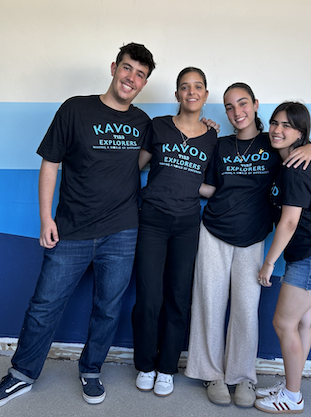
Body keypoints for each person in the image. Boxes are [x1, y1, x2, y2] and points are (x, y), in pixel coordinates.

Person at [0, 43, 156, 411]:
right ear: (113, 68)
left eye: (140, 74)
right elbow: (50, 164)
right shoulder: (76, 108)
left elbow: (143, 161)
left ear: (144, 83)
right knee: (44, 305)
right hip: (71, 229)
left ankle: (91, 370)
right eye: (127, 68)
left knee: (108, 307)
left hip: (122, 231)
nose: (131, 78)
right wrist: (46, 218)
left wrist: (205, 125)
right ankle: (22, 374)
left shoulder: (143, 123)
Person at [185, 83, 311, 408]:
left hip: (253, 238)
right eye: (229, 106)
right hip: (214, 231)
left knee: (246, 310)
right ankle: (212, 374)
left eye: (243, 103)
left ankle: (242, 377)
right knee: (209, 303)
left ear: (255, 104)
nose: (237, 111)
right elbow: (209, 187)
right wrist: (182, 179)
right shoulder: (219, 144)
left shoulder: (274, 141)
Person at [131, 67, 218, 397]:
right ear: (178, 94)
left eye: (197, 87)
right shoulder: (159, 126)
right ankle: (145, 364)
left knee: (178, 299)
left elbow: (210, 184)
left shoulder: (212, 137)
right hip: (151, 220)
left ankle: (167, 367)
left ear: (205, 95)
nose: (191, 92)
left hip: (186, 225)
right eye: (184, 87)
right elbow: (134, 168)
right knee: (149, 297)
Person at [254, 102, 311, 414]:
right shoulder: (296, 157)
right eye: (275, 123)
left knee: (283, 323)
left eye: (287, 126)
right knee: (302, 323)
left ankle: (292, 397)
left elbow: (289, 222)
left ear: (300, 133)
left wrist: (268, 262)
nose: (277, 130)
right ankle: (293, 386)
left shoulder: (295, 167)